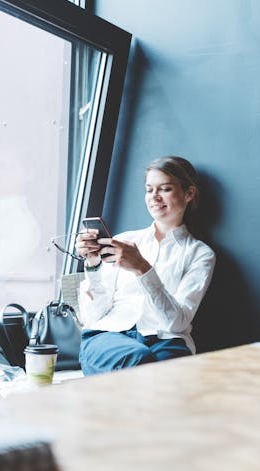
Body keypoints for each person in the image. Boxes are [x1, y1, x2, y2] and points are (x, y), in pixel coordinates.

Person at [74, 156, 216, 375]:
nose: (154, 197)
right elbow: (94, 315)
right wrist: (92, 264)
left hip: (165, 340)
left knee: (165, 376)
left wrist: (142, 268)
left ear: (189, 193)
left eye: (165, 189)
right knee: (139, 360)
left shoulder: (200, 254)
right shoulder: (125, 241)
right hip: (110, 335)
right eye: (149, 190)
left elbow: (176, 324)